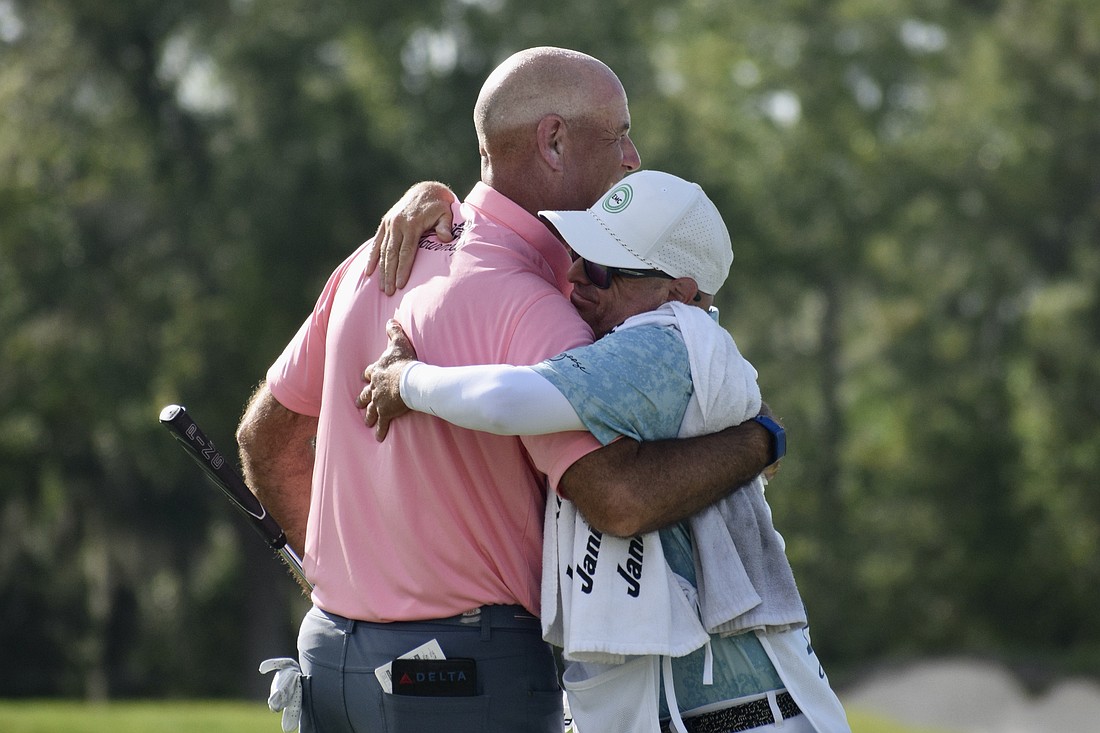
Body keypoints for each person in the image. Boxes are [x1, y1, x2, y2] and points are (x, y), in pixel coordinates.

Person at [236, 48, 778, 733]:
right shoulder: (535, 310)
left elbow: (265, 436)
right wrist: (762, 437)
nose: (633, 157)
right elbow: (619, 497)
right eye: (619, 135)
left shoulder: (372, 259)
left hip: (329, 658)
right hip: (463, 674)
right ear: (554, 141)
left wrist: (338, 586)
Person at [359, 171, 851, 733]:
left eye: (600, 268)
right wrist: (439, 198)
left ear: (680, 290)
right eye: (576, 254)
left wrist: (406, 380)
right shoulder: (668, 339)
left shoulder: (667, 339)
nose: (573, 276)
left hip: (741, 718)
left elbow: (505, 402)